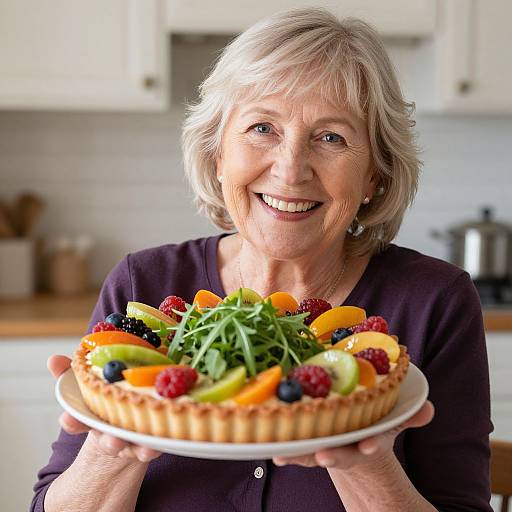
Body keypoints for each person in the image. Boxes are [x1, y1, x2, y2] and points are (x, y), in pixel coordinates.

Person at [32, 8, 493, 512]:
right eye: (261, 128)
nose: (290, 169)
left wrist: (362, 460)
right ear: (217, 154)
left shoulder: (435, 302)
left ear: (374, 176)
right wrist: (110, 443)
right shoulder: (143, 283)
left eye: (331, 137)